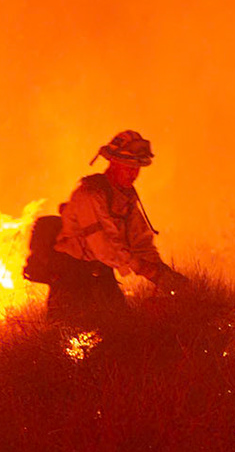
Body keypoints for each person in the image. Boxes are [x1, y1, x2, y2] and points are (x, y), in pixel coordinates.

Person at [46, 129, 183, 325]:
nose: (134, 173)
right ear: (113, 163)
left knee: (120, 332)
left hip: (101, 275)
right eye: (128, 166)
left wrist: (165, 275)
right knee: (67, 336)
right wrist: (144, 268)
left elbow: (140, 242)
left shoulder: (126, 198)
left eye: (137, 167)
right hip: (72, 279)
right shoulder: (90, 195)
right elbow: (105, 247)